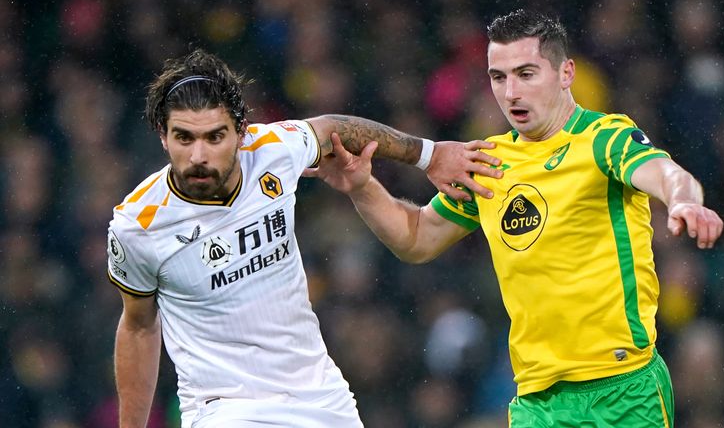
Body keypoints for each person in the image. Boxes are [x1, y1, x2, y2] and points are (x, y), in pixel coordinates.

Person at [306, 9, 724, 428]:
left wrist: (684, 200)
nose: (511, 93)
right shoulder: (489, 162)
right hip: (536, 401)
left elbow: (664, 173)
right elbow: (416, 238)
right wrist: (362, 187)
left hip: (622, 390)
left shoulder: (604, 138)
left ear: (566, 73)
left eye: (526, 74)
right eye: (498, 77)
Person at [106, 49, 500, 428]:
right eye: (184, 138)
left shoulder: (273, 151)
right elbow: (139, 327)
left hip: (320, 398)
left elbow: (334, 127)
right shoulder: (138, 226)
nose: (198, 155)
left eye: (215, 137)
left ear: (241, 132)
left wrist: (428, 155)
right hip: (226, 407)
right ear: (163, 135)